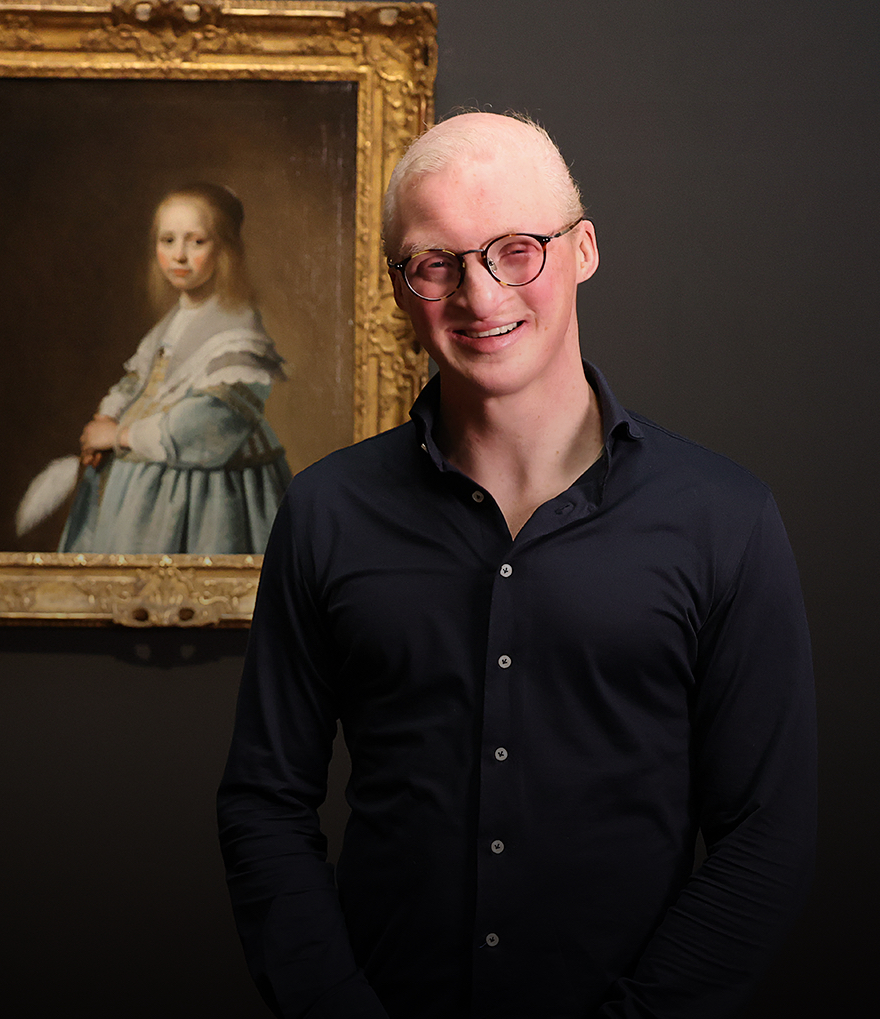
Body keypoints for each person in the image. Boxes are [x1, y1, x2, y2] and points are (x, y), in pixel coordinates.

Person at [216, 113, 817, 1018]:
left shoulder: (723, 518)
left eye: (515, 250)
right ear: (401, 287)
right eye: (436, 263)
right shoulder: (327, 512)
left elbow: (766, 837)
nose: (480, 294)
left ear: (582, 251)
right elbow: (264, 805)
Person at [56, 182, 291, 555]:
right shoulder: (172, 322)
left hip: (209, 497)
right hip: (142, 491)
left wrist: (117, 437)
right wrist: (104, 418)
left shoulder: (238, 329)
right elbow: (139, 381)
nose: (179, 255)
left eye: (196, 242)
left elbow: (206, 426)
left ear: (224, 248)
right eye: (167, 241)